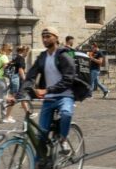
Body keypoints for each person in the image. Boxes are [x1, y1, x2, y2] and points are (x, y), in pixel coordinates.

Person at [21, 27, 76, 157]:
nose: (45, 39)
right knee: (42, 134)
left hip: (65, 95)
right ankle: (40, 164)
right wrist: (20, 94)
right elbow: (30, 77)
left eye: (48, 36)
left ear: (56, 38)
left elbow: (69, 79)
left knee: (66, 114)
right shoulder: (42, 57)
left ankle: (63, 139)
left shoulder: (64, 55)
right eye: (43, 37)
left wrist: (47, 90)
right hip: (49, 98)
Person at [3, 45, 29, 123]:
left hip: (14, 79)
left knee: (22, 97)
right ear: (23, 51)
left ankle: (28, 113)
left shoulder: (16, 58)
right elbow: (20, 70)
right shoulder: (21, 59)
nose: (27, 54)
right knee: (13, 98)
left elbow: (6, 66)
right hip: (16, 80)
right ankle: (7, 117)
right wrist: (25, 80)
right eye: (26, 52)